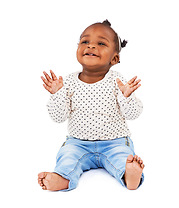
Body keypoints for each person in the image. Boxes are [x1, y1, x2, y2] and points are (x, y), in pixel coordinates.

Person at [38, 20, 145, 191]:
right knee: (67, 156)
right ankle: (63, 178)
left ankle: (129, 175)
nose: (91, 46)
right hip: (77, 143)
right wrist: (57, 95)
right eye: (85, 41)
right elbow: (58, 118)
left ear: (114, 58)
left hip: (115, 142)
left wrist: (126, 97)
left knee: (122, 157)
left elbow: (133, 114)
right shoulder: (68, 82)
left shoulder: (117, 81)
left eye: (101, 43)